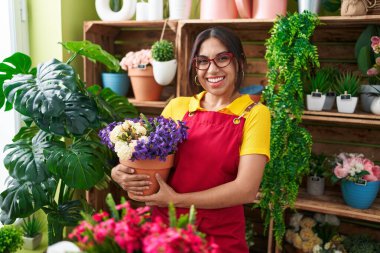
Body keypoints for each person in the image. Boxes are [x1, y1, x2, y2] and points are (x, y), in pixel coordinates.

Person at [111, 26, 270, 253]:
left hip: (219, 239)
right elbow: (148, 161)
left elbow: (246, 189)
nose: (212, 69)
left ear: (240, 62)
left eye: (222, 58)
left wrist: (177, 200)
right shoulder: (178, 106)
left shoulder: (254, 114)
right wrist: (121, 172)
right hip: (165, 234)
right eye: (203, 61)